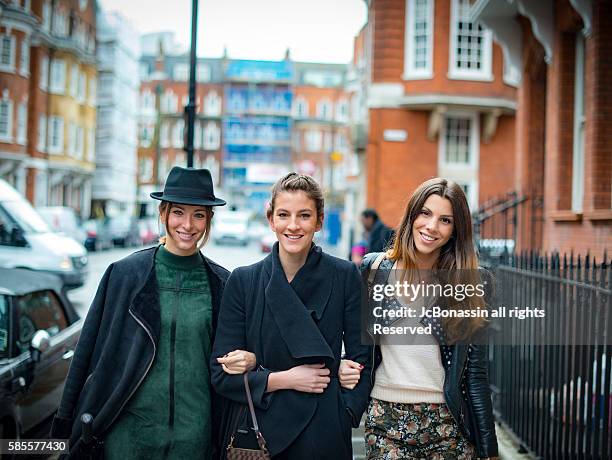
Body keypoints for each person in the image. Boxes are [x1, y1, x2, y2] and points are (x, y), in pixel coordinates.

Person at [50, 167, 255, 460]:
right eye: (178, 212)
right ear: (163, 214)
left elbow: (237, 357)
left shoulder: (222, 283)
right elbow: (87, 352)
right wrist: (64, 424)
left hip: (194, 440)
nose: (187, 224)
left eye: (199, 214)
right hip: (127, 438)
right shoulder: (125, 275)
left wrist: (251, 358)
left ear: (209, 220)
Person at [211, 172, 372, 459]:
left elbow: (365, 358)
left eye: (304, 215)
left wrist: (345, 411)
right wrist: (285, 379)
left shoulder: (344, 275)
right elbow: (220, 375)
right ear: (271, 219)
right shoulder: (244, 281)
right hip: (262, 431)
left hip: (324, 432)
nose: (293, 226)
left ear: (319, 221)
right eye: (284, 215)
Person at [341, 178, 498, 459]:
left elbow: (476, 375)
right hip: (386, 419)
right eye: (425, 213)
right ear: (412, 215)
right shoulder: (374, 270)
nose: (431, 227)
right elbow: (354, 344)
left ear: (455, 230)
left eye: (445, 220)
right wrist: (343, 365)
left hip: (450, 426)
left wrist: (489, 450)